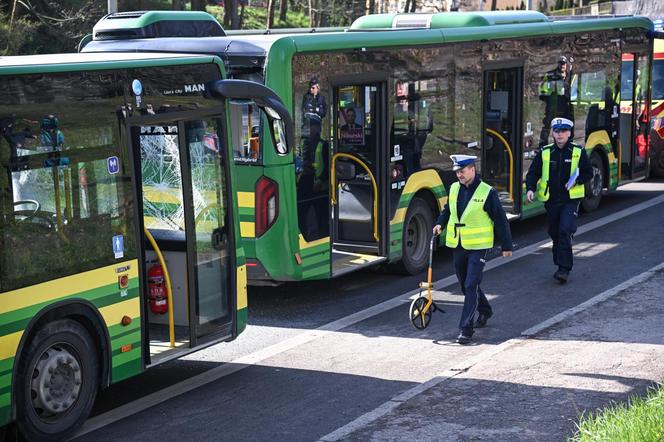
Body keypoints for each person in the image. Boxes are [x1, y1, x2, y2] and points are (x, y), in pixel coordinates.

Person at [433, 154, 513, 345]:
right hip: (458, 244)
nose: (459, 175)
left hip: (479, 246)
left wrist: (506, 245)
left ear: (472, 169)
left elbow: (500, 220)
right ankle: (485, 310)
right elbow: (448, 211)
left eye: (462, 171)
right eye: (457, 172)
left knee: (470, 285)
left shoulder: (487, 192)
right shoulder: (453, 188)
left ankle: (465, 330)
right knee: (465, 284)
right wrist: (439, 224)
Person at [525, 117, 593, 283]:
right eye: (557, 131)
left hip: (570, 200)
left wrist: (577, 180)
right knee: (555, 233)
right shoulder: (546, 152)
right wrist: (530, 189)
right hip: (551, 200)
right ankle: (560, 261)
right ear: (553, 134)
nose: (560, 134)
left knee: (564, 229)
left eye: (563, 131)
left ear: (569, 133)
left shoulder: (578, 151)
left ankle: (564, 269)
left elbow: (588, 173)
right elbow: (533, 173)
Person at [538, 56, 575, 147]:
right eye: (561, 63)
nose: (562, 65)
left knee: (566, 126)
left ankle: (567, 144)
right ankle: (542, 146)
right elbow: (542, 91)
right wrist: (549, 100)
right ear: (558, 64)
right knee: (547, 126)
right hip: (553, 106)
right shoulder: (550, 75)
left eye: (564, 64)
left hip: (566, 107)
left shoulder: (570, 75)